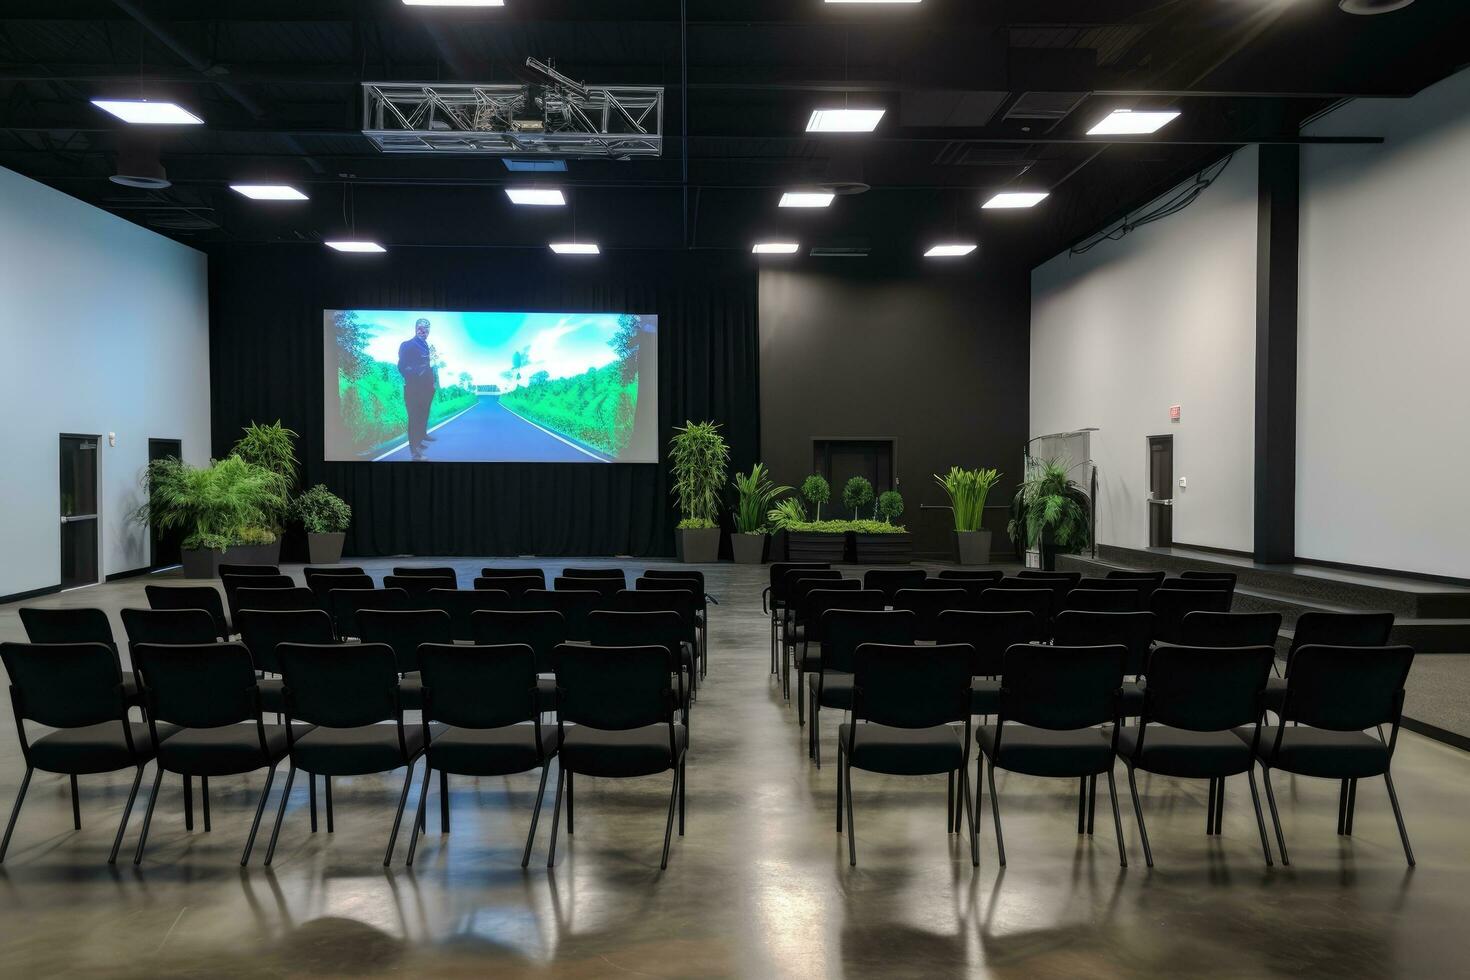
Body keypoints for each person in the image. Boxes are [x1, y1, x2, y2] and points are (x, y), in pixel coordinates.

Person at [397, 318, 437, 460]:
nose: (423, 331)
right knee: (414, 419)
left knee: (422, 417)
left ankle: (419, 443)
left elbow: (427, 367)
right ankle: (415, 452)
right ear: (415, 328)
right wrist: (417, 373)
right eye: (420, 328)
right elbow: (401, 367)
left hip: (426, 390)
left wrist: (432, 384)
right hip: (413, 389)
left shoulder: (425, 345)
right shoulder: (407, 345)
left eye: (426, 329)